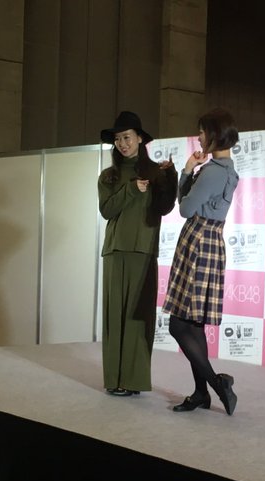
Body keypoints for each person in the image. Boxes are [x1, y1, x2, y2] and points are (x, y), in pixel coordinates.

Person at [161, 107, 240, 415]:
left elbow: (184, 208)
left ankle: (218, 384)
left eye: (203, 132)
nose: (199, 137)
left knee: (178, 325)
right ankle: (200, 393)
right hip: (209, 242)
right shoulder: (226, 169)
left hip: (198, 241)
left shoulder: (213, 173)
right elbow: (189, 203)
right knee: (193, 325)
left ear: (215, 135)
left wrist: (186, 171)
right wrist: (192, 170)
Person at [98, 111, 177, 396]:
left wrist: (171, 176)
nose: (122, 143)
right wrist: (131, 190)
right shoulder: (108, 176)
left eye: (127, 137)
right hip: (115, 251)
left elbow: (165, 207)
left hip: (144, 252)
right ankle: (114, 379)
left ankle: (133, 380)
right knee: (114, 318)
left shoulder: (155, 172)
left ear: (140, 138)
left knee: (138, 318)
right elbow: (107, 210)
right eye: (118, 139)